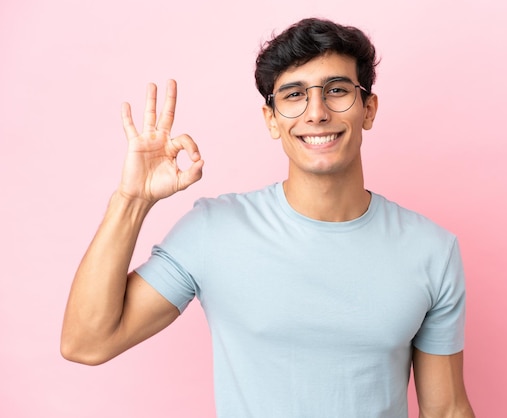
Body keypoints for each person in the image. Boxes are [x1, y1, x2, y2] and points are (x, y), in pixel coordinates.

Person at [61, 17, 475, 418]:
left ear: (368, 110)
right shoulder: (214, 231)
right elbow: (88, 343)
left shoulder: (431, 250)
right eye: (294, 95)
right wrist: (132, 199)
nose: (316, 113)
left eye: (336, 90)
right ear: (271, 120)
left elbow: (446, 409)